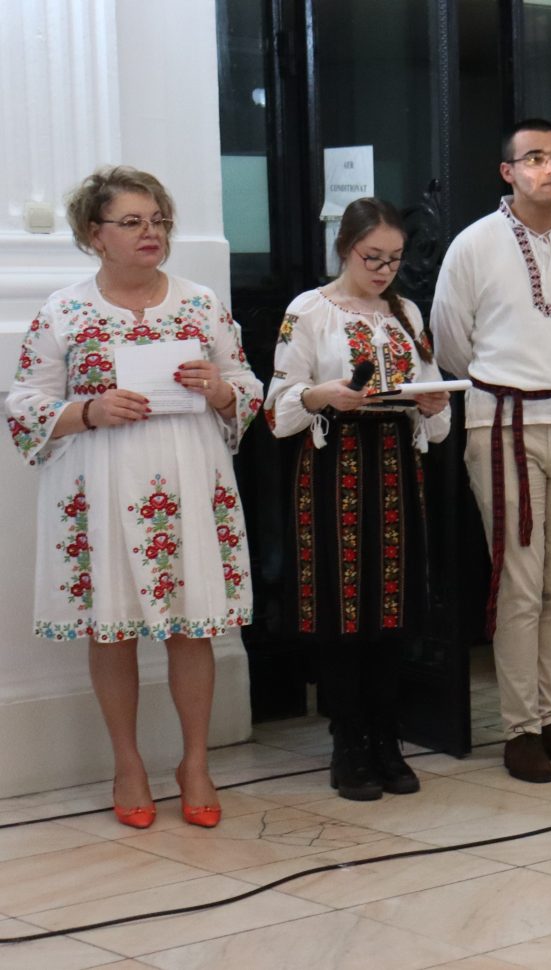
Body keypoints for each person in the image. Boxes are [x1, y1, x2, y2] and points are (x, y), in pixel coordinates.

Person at [6, 166, 263, 829]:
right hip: (100, 489)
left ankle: (196, 763)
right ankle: (128, 764)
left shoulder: (201, 303)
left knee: (192, 626)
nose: (151, 233)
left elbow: (245, 384)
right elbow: (24, 404)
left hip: (189, 481)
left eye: (158, 221)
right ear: (95, 234)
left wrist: (221, 390)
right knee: (111, 626)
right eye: (132, 222)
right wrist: (89, 411)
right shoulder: (64, 311)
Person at [432, 118, 551, 784]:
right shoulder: (475, 244)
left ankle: (550, 713)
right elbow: (450, 341)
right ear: (508, 172)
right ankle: (520, 729)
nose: (550, 168)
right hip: (503, 422)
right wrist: (504, 386)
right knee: (521, 582)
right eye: (534, 158)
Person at [265, 198, 451, 800]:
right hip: (332, 466)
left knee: (390, 610)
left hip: (395, 465)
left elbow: (433, 410)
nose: (384, 270)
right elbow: (277, 408)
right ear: (346, 249)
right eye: (373, 257)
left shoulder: (406, 313)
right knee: (342, 610)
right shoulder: (309, 311)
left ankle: (386, 739)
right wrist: (322, 395)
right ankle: (348, 744)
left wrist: (432, 404)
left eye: (394, 259)